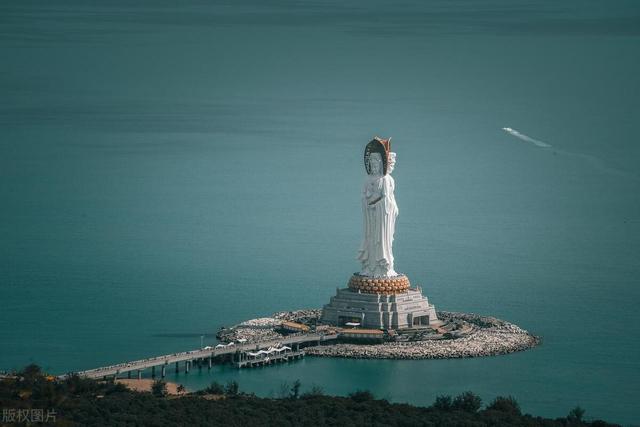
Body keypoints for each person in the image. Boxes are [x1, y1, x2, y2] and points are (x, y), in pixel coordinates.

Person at [357, 139, 398, 277]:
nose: (373, 166)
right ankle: (369, 267)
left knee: (381, 240)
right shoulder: (367, 179)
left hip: (382, 216)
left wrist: (375, 203)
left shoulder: (386, 179)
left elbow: (387, 199)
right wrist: (367, 201)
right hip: (371, 215)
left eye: (376, 163)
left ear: (381, 164)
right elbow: (363, 196)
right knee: (370, 239)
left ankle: (383, 268)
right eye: (371, 163)